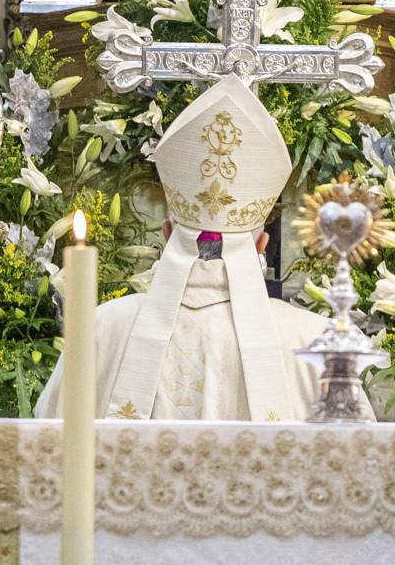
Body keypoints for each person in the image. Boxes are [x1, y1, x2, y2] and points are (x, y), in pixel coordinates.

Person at [36, 78, 330, 422]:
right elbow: (361, 447)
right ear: (262, 245)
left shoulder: (101, 327)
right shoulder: (317, 342)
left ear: (167, 235)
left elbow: (48, 436)